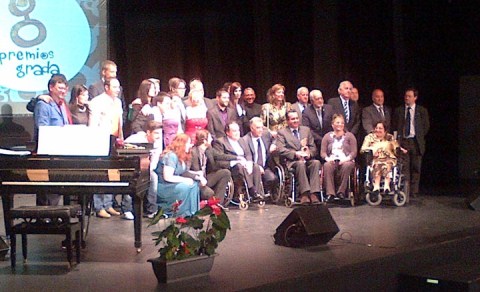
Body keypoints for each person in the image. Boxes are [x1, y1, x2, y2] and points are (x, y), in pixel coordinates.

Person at [33, 74, 72, 206]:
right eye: (60, 88)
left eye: (65, 88)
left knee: (56, 191)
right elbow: (42, 129)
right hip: (47, 155)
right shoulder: (44, 104)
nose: (63, 91)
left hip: (61, 153)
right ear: (51, 88)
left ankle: (55, 218)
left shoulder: (62, 105)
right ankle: (44, 220)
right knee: (47, 193)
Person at [88, 77, 124, 218]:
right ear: (107, 87)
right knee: (101, 173)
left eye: (118, 87)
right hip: (101, 139)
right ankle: (99, 206)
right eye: (114, 87)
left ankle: (108, 204)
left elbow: (119, 122)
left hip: (115, 139)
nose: (117, 90)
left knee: (112, 173)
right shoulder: (97, 102)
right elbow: (93, 124)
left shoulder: (118, 102)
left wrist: (121, 138)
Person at [276, 110, 322, 205]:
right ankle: (304, 193)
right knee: (300, 164)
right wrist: (295, 154)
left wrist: (309, 153)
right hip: (292, 161)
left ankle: (314, 193)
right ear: (288, 121)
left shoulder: (306, 130)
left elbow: (313, 147)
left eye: (297, 118)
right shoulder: (282, 132)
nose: (296, 120)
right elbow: (281, 149)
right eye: (293, 119)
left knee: (316, 163)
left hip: (306, 159)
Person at [213, 121, 264, 200]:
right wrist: (235, 160)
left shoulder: (241, 140)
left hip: (244, 164)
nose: (237, 133)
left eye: (238, 130)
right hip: (231, 166)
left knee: (255, 166)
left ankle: (258, 192)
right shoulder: (220, 142)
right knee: (239, 166)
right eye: (234, 131)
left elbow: (248, 154)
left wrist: (249, 163)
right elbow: (219, 158)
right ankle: (251, 190)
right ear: (227, 132)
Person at [393, 87, 430, 197]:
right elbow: (395, 126)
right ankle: (405, 190)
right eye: (406, 96)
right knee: (404, 167)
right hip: (403, 142)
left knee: (416, 167)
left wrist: (418, 136)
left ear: (415, 98)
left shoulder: (421, 111)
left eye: (409, 96)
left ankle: (414, 191)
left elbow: (426, 126)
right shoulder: (399, 110)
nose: (407, 98)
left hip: (415, 142)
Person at [124, 120, 163, 218]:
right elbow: (123, 148)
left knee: (153, 177)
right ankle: (127, 209)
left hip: (146, 168)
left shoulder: (157, 143)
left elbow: (154, 161)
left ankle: (151, 210)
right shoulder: (136, 138)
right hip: (131, 166)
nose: (158, 136)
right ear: (148, 132)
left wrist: (147, 171)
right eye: (156, 133)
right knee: (131, 179)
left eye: (160, 134)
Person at [155, 133, 200, 217]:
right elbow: (167, 177)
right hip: (164, 186)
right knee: (185, 186)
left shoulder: (181, 156)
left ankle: (192, 212)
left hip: (172, 184)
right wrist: (185, 180)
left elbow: (183, 171)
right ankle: (179, 213)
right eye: (188, 143)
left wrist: (197, 174)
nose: (190, 145)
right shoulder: (170, 156)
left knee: (195, 184)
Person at [188, 129, 231, 206]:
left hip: (206, 178)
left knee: (225, 172)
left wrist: (238, 158)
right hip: (196, 180)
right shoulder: (192, 152)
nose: (212, 139)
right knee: (209, 193)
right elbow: (186, 170)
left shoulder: (209, 150)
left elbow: (221, 156)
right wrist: (198, 176)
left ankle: (217, 204)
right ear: (204, 141)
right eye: (210, 138)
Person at [321, 114, 357, 201]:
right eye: (337, 122)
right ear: (332, 124)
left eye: (342, 123)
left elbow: (354, 152)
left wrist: (346, 159)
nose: (340, 124)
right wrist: (328, 159)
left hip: (346, 159)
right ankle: (330, 193)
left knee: (347, 165)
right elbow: (323, 152)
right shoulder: (327, 136)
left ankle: (341, 191)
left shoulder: (350, 136)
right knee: (327, 166)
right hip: (332, 159)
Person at [361, 121, 404, 193]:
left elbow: (396, 147)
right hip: (375, 159)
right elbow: (362, 149)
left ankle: (387, 186)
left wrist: (400, 149)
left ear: (385, 130)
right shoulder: (369, 138)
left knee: (387, 164)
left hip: (389, 159)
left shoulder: (390, 138)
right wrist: (372, 151)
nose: (378, 130)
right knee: (378, 164)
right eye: (376, 128)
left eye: (380, 128)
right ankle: (376, 186)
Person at [242, 117, 278, 195]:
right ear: (251, 128)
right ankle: (257, 194)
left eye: (262, 127)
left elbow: (277, 138)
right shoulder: (245, 140)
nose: (261, 130)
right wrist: (257, 167)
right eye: (258, 128)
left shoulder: (266, 134)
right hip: (253, 168)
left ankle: (268, 192)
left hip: (265, 167)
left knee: (272, 178)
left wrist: (273, 144)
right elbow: (247, 157)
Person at [301, 89, 334, 157]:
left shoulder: (329, 108)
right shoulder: (306, 112)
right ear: (312, 101)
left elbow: (333, 123)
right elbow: (308, 129)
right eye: (317, 99)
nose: (320, 101)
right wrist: (322, 140)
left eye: (321, 98)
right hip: (315, 143)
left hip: (330, 142)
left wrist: (328, 139)